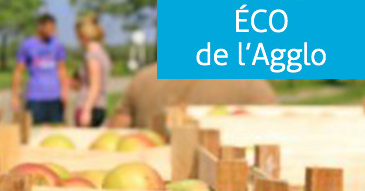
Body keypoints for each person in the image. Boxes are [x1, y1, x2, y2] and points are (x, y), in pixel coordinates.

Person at [111, 63, 279, 129]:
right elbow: (276, 128)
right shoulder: (250, 82)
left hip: (144, 185)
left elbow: (116, 131)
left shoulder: (144, 78)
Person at [12, 14, 70, 125]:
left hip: (55, 97)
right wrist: (15, 96)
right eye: (49, 27)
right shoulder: (27, 45)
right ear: (40, 26)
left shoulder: (57, 45)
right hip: (35, 97)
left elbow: (62, 69)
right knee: (33, 131)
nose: (52, 31)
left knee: (56, 129)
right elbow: (19, 71)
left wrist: (65, 91)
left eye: (53, 28)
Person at [74, 17, 111, 127]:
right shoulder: (102, 53)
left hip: (89, 106)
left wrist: (86, 110)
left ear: (83, 36)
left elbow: (95, 85)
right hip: (100, 105)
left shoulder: (91, 56)